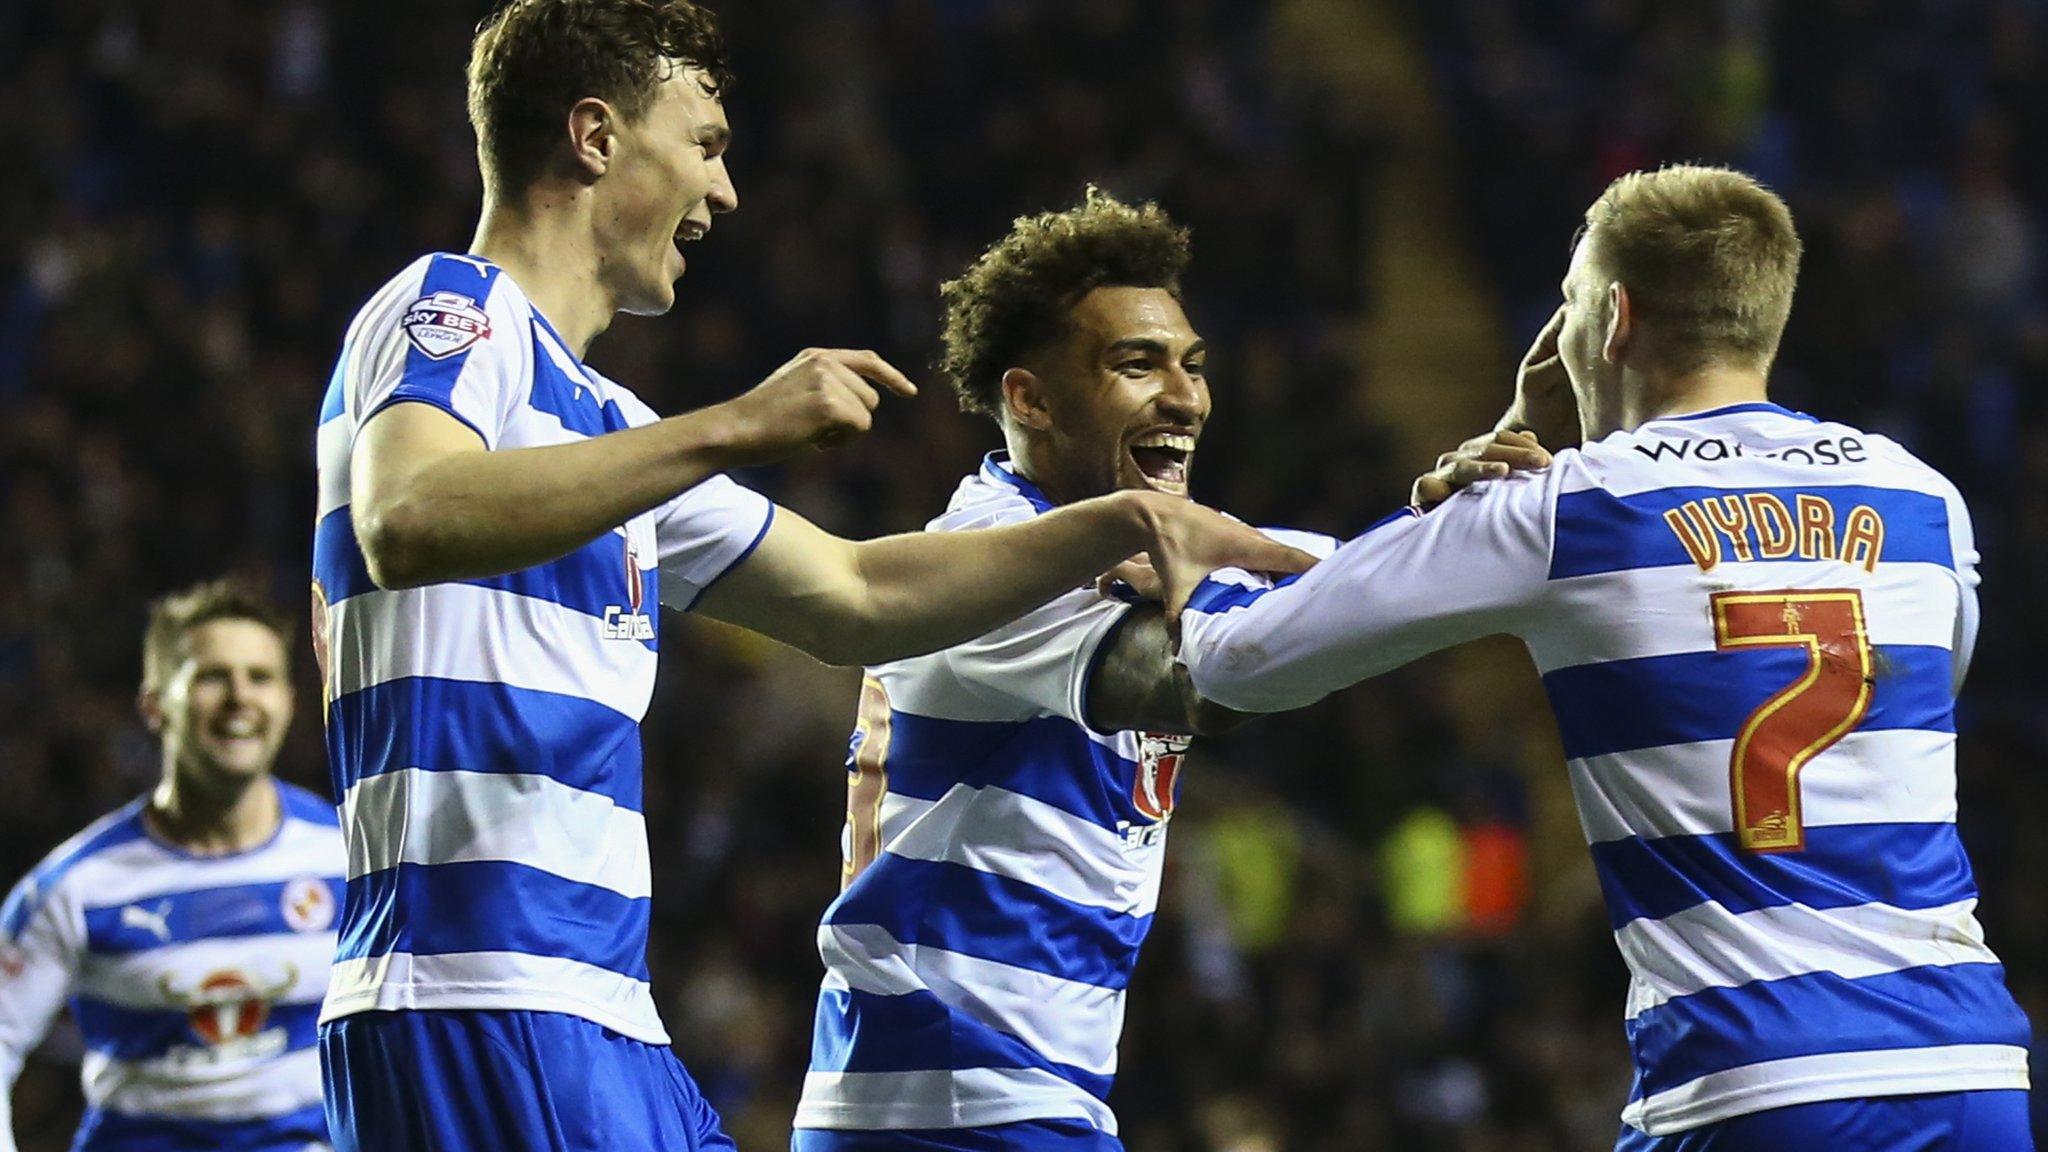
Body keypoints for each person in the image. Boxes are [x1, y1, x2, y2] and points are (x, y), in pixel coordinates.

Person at [310, 5, 1312, 1151]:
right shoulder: (452, 306)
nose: (723, 192)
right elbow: (406, 516)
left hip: (586, 1006)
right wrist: (736, 424)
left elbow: (855, 597)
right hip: (474, 989)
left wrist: (1119, 522)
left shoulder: (611, 429)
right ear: (594, 137)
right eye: (704, 144)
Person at [1174, 164, 2032, 1151]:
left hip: (1752, 1083)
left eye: (1569, 308)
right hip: (1970, 1072)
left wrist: (1486, 461)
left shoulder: (1566, 508)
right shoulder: (1921, 497)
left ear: (1612, 317)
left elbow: (1241, 662)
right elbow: (1923, 691)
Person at [790, 190, 1541, 1151]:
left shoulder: (1136, 548)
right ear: (1029, 397)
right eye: (1135, 364)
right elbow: (1205, 678)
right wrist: (1450, 551)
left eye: (1191, 364)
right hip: (945, 1100)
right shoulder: (993, 558)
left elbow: (1315, 577)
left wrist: (1443, 516)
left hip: (1008, 1095)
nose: (1185, 396)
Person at [0, 581, 342, 1152]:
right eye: (212, 676)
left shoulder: (347, 856)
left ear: (289, 700)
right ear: (155, 704)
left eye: (260, 677)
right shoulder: (77, 887)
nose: (240, 697)